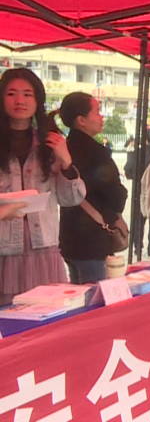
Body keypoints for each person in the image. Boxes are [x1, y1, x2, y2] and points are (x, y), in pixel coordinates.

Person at [0, 69, 85, 304]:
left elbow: (72, 199)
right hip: (3, 253)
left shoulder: (50, 143)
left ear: (37, 101)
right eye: (11, 94)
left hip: (44, 251)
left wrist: (66, 162)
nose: (20, 100)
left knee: (48, 317)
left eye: (28, 94)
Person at [54, 93, 127, 284]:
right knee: (95, 295)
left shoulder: (63, 148)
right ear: (81, 120)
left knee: (78, 294)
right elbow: (113, 193)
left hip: (69, 237)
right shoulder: (95, 153)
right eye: (97, 112)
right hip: (92, 238)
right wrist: (121, 198)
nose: (101, 117)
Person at [124, 127, 150, 256]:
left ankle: (137, 246)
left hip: (138, 191)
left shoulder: (137, 153)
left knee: (137, 220)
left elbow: (128, 171)